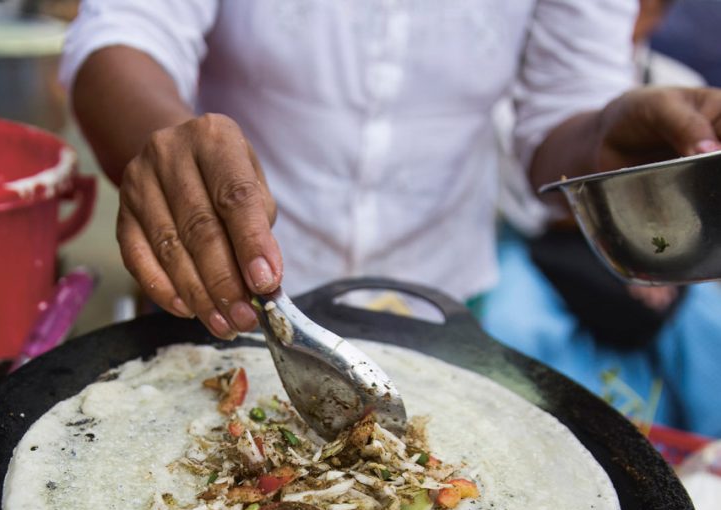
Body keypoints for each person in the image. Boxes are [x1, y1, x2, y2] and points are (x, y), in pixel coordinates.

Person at [60, 1, 721, 343]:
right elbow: (123, 36)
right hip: (218, 291)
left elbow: (558, 119)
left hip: (439, 307)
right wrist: (164, 145)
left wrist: (608, 139)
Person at [480, 0, 721, 436]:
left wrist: (663, 259)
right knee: (513, 324)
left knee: (708, 325)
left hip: (660, 252)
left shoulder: (678, 83)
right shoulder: (510, 90)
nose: (633, 18)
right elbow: (526, 193)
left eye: (646, 10)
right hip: (542, 246)